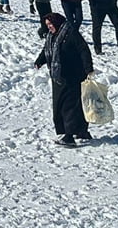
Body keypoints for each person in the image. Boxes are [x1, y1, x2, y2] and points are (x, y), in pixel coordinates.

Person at [33, 13, 95, 147]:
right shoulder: (51, 37)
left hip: (74, 76)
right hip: (59, 77)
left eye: (51, 24)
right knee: (59, 106)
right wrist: (39, 61)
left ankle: (69, 136)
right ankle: (81, 131)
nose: (49, 27)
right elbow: (46, 51)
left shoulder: (71, 34)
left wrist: (88, 68)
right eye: (47, 25)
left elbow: (84, 50)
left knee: (71, 107)